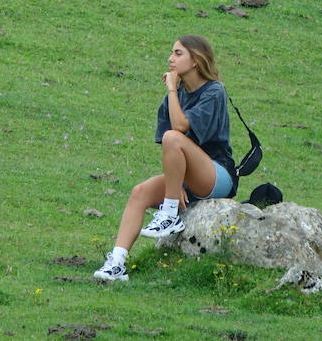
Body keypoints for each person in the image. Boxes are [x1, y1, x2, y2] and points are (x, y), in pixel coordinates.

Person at [93, 35, 237, 281]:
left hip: (216, 175)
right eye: (171, 53)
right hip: (187, 179)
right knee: (140, 192)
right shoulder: (174, 97)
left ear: (195, 60)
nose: (171, 59)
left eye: (178, 53)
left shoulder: (214, 91)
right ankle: (116, 264)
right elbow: (171, 152)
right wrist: (177, 184)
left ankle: (169, 216)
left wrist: (171, 88)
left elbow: (179, 130)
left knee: (173, 136)